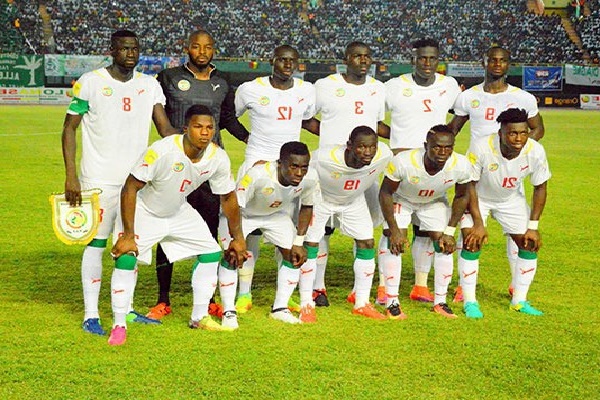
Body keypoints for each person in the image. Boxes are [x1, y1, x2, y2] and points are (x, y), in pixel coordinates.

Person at [61, 30, 178, 336]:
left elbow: (164, 128)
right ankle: (91, 314)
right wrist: (71, 175)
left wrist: (197, 143)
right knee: (97, 244)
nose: (131, 53)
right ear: (112, 50)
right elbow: (69, 128)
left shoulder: (149, 85)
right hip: (97, 180)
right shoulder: (91, 82)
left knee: (131, 244)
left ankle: (124, 309)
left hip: (136, 183)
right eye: (125, 48)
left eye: (135, 48)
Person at [108, 105, 247, 345]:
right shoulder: (162, 151)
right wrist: (129, 233)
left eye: (209, 128)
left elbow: (229, 197)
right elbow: (130, 187)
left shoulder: (217, 157)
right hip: (144, 211)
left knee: (211, 252)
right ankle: (119, 324)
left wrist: (238, 237)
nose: (205, 133)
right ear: (185, 129)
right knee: (126, 257)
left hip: (178, 211)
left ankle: (199, 316)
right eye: (198, 127)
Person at [148, 30, 250, 320]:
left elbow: (228, 119)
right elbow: (158, 114)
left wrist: (250, 139)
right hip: (174, 166)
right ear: (187, 49)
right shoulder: (167, 78)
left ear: (213, 50)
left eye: (207, 47)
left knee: (207, 234)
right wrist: (169, 138)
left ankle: (208, 299)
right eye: (196, 46)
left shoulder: (222, 82)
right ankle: (163, 299)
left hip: (208, 168)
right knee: (166, 230)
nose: (202, 52)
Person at [448, 45, 545, 302]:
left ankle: (517, 286)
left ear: (508, 65)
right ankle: (463, 288)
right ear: (485, 62)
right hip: (476, 175)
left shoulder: (523, 97)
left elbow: (538, 129)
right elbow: (453, 130)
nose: (497, 65)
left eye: (502, 61)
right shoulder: (468, 96)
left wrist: (515, 153)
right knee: (469, 235)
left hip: (509, 175)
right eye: (493, 60)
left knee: (519, 235)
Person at [231, 45, 317, 313]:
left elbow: (305, 120)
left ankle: (285, 293)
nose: (287, 65)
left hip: (291, 170)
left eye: (292, 61)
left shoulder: (306, 90)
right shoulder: (250, 89)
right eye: (282, 60)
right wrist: (247, 138)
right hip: (257, 165)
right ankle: (244, 293)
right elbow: (229, 117)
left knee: (288, 232)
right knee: (251, 228)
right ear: (272, 61)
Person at [303, 41, 389, 307]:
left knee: (366, 229)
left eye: (367, 57)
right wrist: (333, 139)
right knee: (322, 232)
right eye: (357, 56)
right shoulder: (325, 85)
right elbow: (307, 119)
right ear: (346, 58)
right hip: (329, 169)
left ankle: (358, 292)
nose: (363, 61)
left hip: (363, 169)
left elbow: (377, 126)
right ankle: (317, 288)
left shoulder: (377, 88)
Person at [382, 38, 462, 305]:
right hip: (401, 166)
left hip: (434, 165)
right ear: (412, 60)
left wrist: (448, 135)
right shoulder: (393, 87)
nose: (427, 63)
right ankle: (383, 286)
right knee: (390, 228)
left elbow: (462, 112)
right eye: (422, 58)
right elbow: (373, 119)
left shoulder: (449, 85)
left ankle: (420, 285)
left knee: (427, 229)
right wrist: (397, 144)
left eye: (432, 58)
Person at [458, 108, 551, 318]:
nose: (519, 138)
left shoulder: (535, 150)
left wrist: (533, 227)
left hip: (510, 200)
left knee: (529, 245)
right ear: (500, 133)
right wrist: (478, 223)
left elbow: (540, 187)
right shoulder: (482, 146)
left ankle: (519, 301)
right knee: (471, 241)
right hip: (477, 198)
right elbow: (469, 185)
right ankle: (470, 302)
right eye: (512, 133)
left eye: (523, 133)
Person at [298, 126, 392, 322]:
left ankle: (362, 302)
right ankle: (306, 303)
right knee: (311, 245)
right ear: (349, 146)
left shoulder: (383, 155)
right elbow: (301, 171)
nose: (368, 152)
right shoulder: (323, 158)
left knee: (366, 243)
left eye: (372, 147)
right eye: (361, 147)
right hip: (322, 200)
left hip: (353, 201)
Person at [379, 125, 473, 319]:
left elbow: (462, 196)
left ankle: (441, 301)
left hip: (433, 202)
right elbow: (385, 192)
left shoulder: (461, 165)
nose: (443, 152)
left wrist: (450, 230)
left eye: (448, 148)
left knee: (445, 245)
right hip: (401, 199)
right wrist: (394, 228)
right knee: (394, 242)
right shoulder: (403, 162)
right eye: (437, 147)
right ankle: (391, 301)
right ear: (425, 145)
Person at [219, 142, 317, 325]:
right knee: (232, 256)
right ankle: (228, 311)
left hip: (274, 215)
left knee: (294, 256)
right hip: (241, 214)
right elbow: (234, 205)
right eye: (294, 166)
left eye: (304, 167)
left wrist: (299, 241)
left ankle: (280, 308)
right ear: (280, 163)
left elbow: (307, 206)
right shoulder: (258, 175)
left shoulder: (310, 178)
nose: (299, 173)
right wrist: (237, 239)